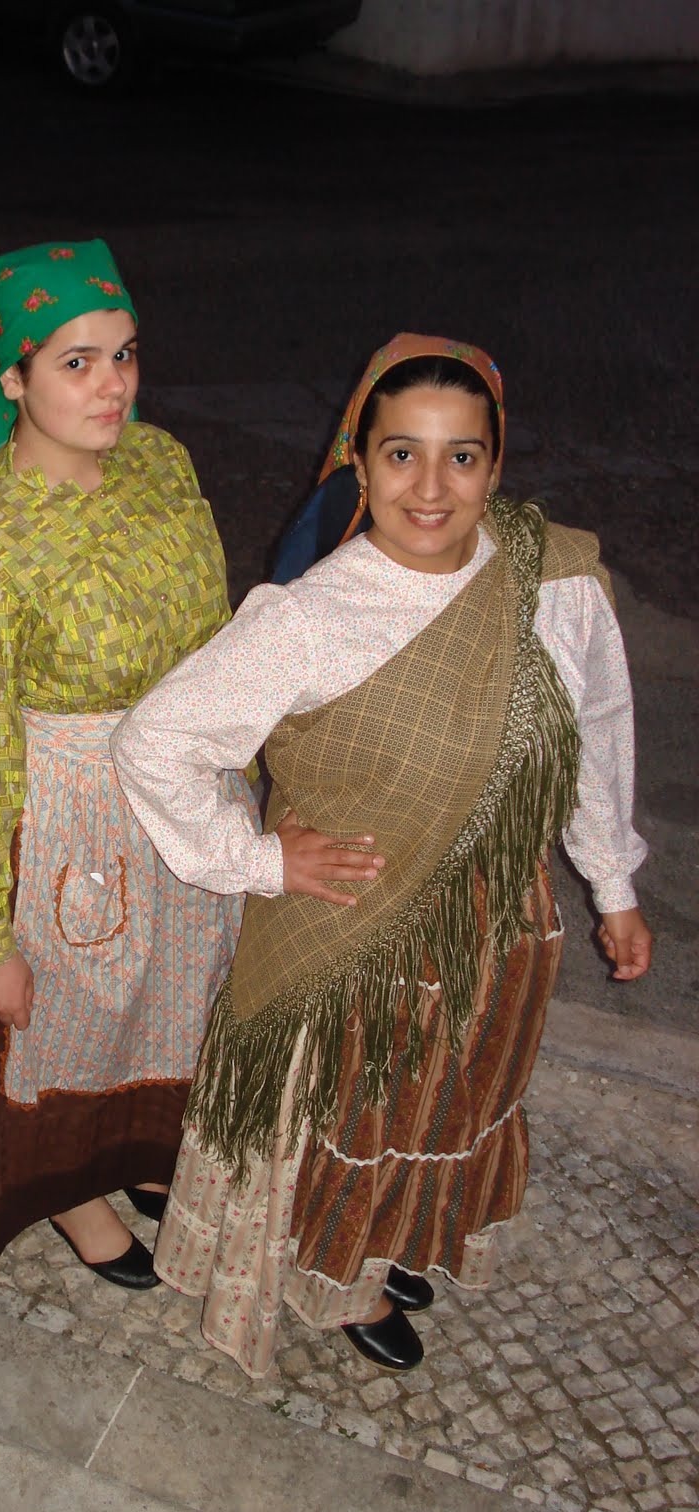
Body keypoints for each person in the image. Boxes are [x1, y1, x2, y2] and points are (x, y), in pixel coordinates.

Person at [111, 332, 652, 1374]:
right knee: (359, 1113)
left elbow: (597, 731)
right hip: (356, 940)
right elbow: (156, 742)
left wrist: (615, 885)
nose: (432, 488)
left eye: (462, 456)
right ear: (359, 465)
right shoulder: (312, 618)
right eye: (402, 454)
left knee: (450, 1094)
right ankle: (340, 1278)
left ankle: (401, 1234)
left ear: (496, 465)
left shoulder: (553, 578)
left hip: (496, 921)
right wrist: (259, 860)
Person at [0, 239, 257, 1285]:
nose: (113, 385)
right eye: (76, 362)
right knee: (66, 1017)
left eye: (125, 354)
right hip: (72, 818)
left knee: (170, 998)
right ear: (11, 379)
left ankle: (142, 1150)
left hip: (184, 798)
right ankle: (69, 1189)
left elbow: (218, 635)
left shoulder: (160, 461)